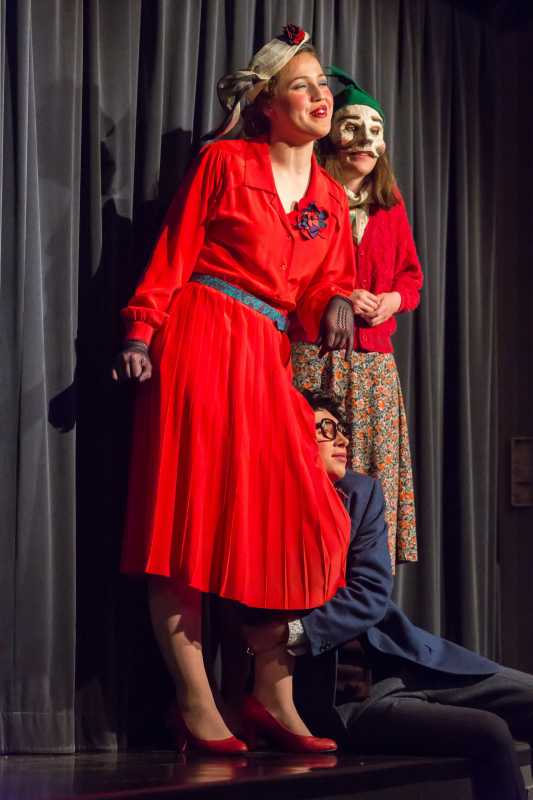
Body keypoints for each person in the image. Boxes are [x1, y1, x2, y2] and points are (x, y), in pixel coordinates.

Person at [112, 26, 356, 754]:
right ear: (267, 106)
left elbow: (320, 294)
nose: (320, 97)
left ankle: (270, 695)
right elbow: (176, 249)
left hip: (268, 351)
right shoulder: (226, 162)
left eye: (323, 86)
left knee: (294, 518)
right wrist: (140, 329)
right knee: (184, 520)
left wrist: (338, 301)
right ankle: (195, 702)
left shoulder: (329, 200)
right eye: (302, 86)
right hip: (202, 332)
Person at [244, 390, 533, 800]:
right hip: (347, 700)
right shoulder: (263, 506)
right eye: (325, 429)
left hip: (406, 661)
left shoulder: (361, 493)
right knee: (490, 731)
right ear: (290, 436)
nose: (342, 439)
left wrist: (292, 632)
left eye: (341, 428)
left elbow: (371, 593)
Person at [291, 68, 423, 570]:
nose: (364, 141)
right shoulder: (310, 194)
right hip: (316, 354)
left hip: (373, 367)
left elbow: (412, 277)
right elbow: (290, 267)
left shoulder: (390, 206)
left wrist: (393, 300)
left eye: (375, 130)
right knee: (314, 472)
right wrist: (339, 294)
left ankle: (367, 589)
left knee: (372, 474)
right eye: (352, 128)